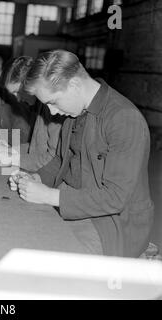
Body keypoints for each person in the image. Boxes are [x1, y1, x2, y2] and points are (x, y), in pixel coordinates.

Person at [9, 50, 154, 258]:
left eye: (53, 102)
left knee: (49, 260)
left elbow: (115, 197)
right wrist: (36, 178)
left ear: (74, 85)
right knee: (19, 234)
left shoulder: (123, 118)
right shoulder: (74, 112)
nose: (51, 112)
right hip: (76, 207)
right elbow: (60, 160)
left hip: (113, 224)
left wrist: (49, 195)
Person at [4, 56, 64, 172]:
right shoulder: (39, 106)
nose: (18, 99)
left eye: (18, 92)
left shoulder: (53, 110)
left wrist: (13, 159)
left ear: (30, 84)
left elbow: (53, 158)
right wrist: (10, 150)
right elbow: (35, 147)